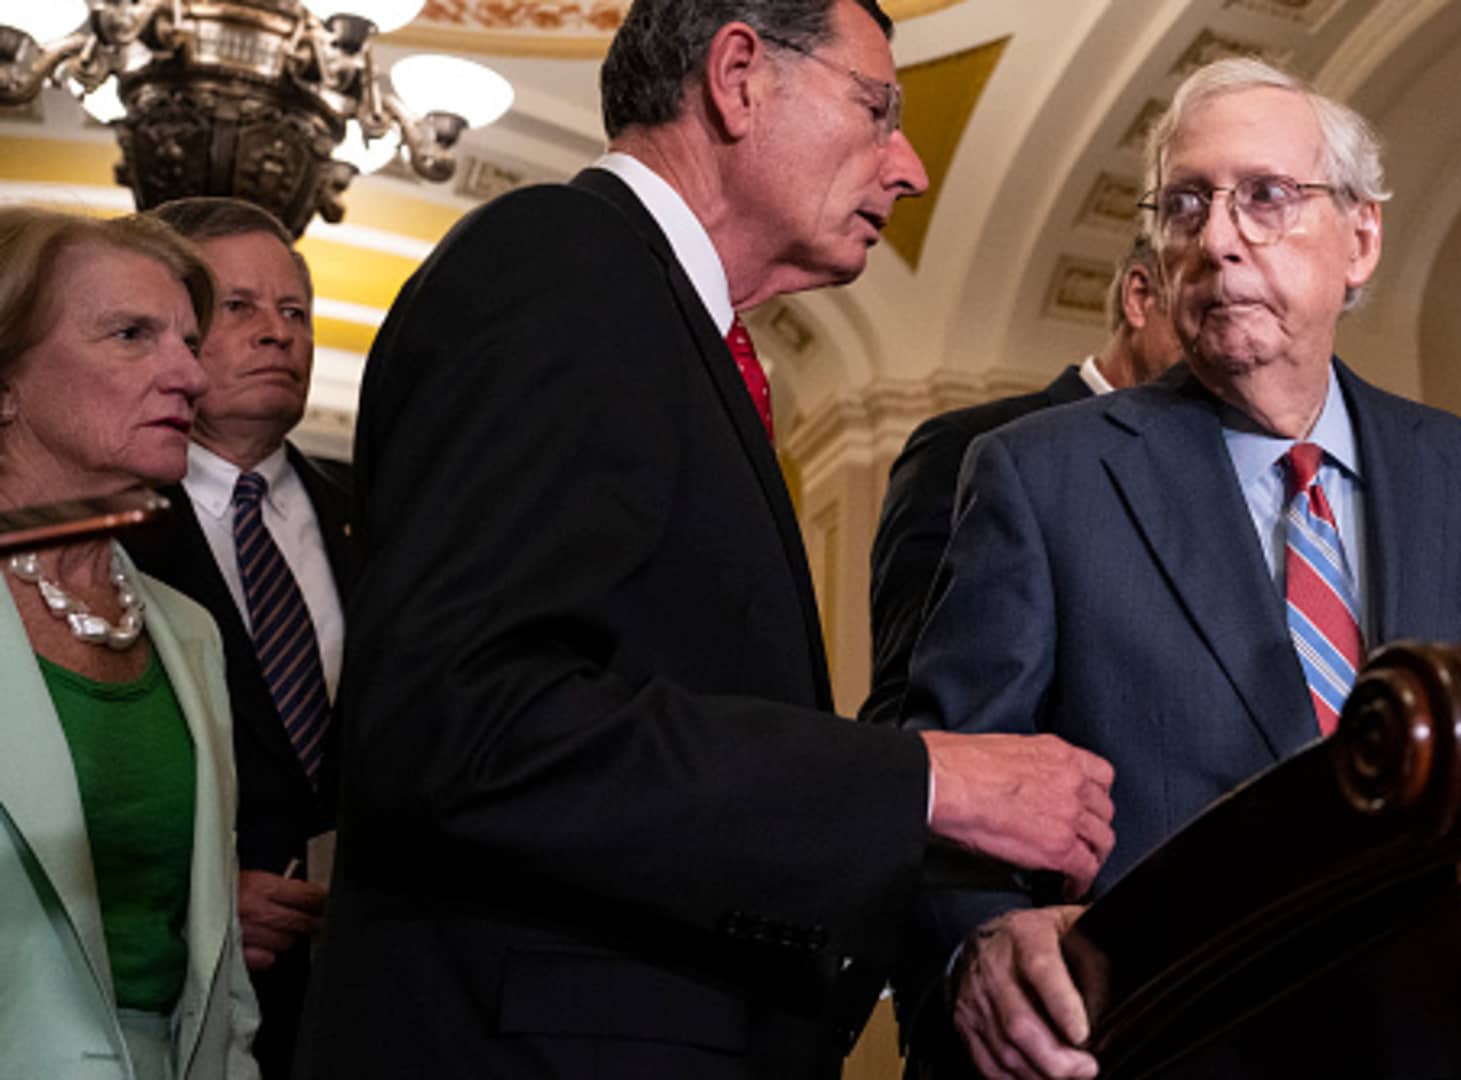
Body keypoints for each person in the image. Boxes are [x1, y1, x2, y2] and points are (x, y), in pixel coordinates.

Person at [300, 2, 1115, 1077]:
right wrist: (923, 782)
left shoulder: (667, 321)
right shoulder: (560, 262)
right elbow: (460, 722)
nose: (910, 168)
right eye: (877, 109)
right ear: (738, 77)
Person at [895, 57, 1461, 1078]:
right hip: (1170, 1044)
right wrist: (979, 944)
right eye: (1185, 205)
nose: (1216, 238)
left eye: (1264, 196)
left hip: (1446, 1042)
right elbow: (955, 786)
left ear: (1360, 238)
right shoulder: (1042, 475)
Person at [0, 206, 259, 1077]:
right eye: (131, 335)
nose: (190, 375)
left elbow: (219, 977)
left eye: (187, 343)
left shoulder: (189, 632)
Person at [121, 197, 347, 1080]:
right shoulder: (104, 527)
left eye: (295, 311)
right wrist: (201, 903)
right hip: (179, 1009)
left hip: (366, 998)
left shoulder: (389, 521)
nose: (278, 333)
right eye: (240, 307)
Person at [862, 232, 1184, 726]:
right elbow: (908, 699)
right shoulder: (964, 446)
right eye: (1208, 307)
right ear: (1140, 298)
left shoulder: (1227, 472)